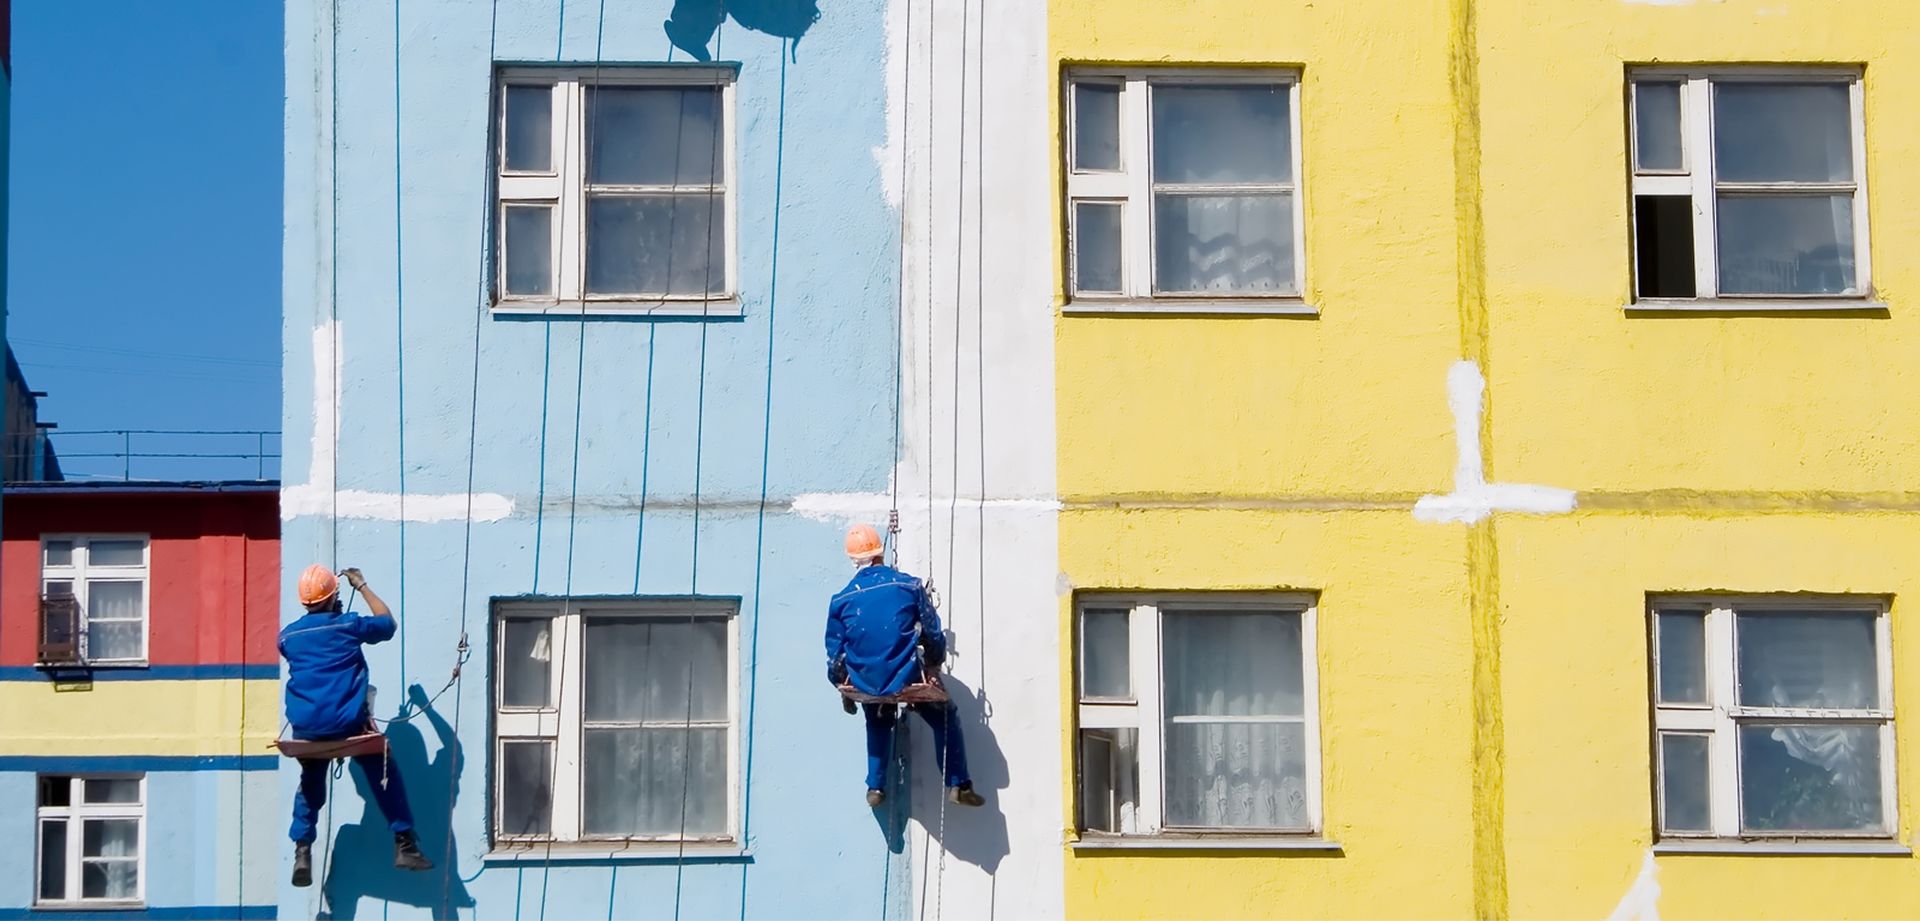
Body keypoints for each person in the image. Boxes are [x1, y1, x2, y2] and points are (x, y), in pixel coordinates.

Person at [280, 564, 433, 887]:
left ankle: (302, 849)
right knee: (382, 769)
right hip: (347, 723)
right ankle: (404, 843)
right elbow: (387, 623)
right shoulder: (348, 625)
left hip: (306, 727)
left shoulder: (288, 636)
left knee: (311, 780)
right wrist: (362, 585)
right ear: (333, 596)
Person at [826, 524, 986, 809]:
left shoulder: (840, 600)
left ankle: (875, 787)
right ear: (880, 552)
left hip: (866, 680)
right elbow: (932, 632)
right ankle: (958, 783)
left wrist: (843, 684)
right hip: (905, 674)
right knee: (945, 716)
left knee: (876, 716)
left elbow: (835, 654)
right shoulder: (908, 586)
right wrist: (934, 664)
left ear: (852, 559)